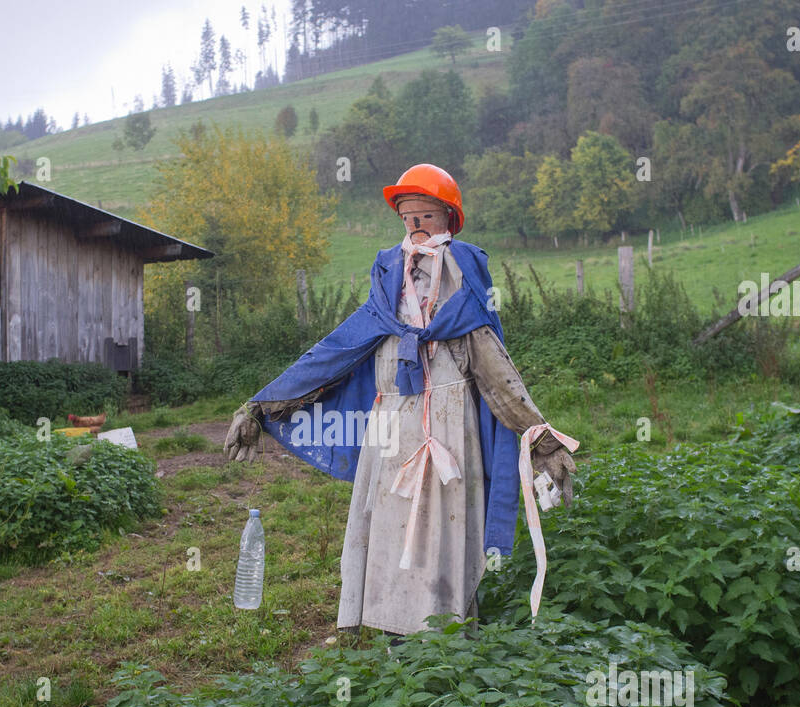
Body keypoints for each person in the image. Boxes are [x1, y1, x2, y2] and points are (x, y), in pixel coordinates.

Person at [224, 163, 576, 640]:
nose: (416, 227)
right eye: (408, 217)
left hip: (451, 429)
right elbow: (333, 352)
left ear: (448, 219)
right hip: (390, 427)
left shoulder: (464, 295)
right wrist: (261, 405)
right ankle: (395, 634)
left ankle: (449, 637)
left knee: (447, 531)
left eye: (426, 216)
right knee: (388, 526)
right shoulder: (385, 297)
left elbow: (497, 371)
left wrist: (543, 441)